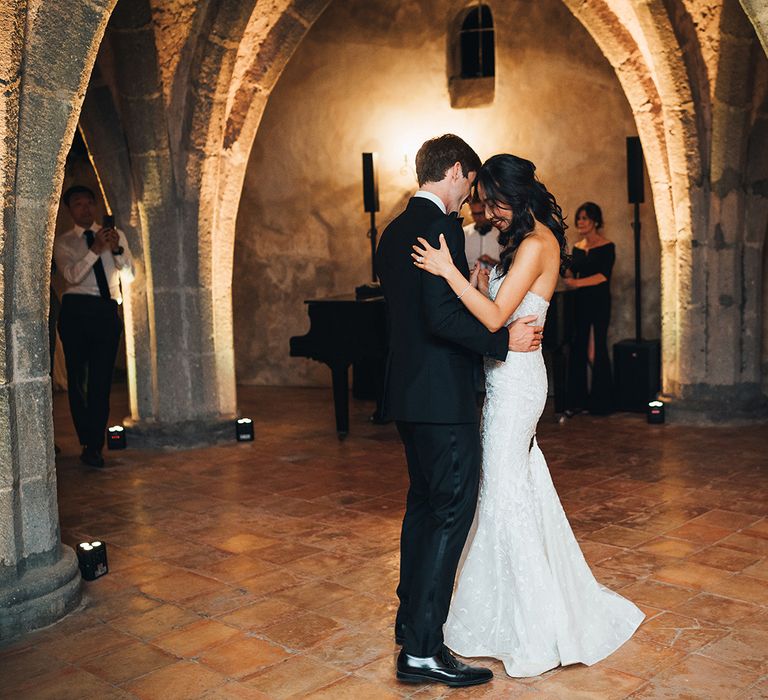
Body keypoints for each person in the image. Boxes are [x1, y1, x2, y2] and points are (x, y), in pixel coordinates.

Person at [413, 154, 643, 677]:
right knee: (508, 489)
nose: (488, 214)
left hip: (516, 384)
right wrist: (482, 276)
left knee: (502, 491)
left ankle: (534, 626)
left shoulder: (538, 243)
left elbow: (496, 317)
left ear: (514, 196)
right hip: (510, 377)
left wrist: (449, 271)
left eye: (493, 203)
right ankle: (502, 612)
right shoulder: (531, 244)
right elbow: (506, 307)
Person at [375, 135, 544, 688]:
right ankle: (423, 649)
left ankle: (410, 623)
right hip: (442, 400)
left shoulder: (392, 231)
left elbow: (420, 316)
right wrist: (501, 345)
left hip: (407, 394)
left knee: (424, 509)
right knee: (450, 514)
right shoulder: (439, 229)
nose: (470, 193)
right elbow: (440, 321)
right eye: (470, 181)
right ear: (454, 170)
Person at [54, 185, 134, 468]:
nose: (85, 208)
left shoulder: (116, 236)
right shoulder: (63, 242)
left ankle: (94, 445)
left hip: (106, 310)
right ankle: (87, 439)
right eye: (78, 204)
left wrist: (116, 251)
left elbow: (131, 274)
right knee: (79, 380)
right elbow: (72, 276)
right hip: (76, 311)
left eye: (89, 203)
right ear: (70, 210)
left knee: (101, 381)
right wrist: (94, 250)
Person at [564, 202, 615, 415]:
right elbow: (569, 271)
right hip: (579, 303)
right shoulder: (577, 247)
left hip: (599, 302)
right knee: (579, 348)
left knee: (595, 350)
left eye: (584, 218)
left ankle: (602, 403)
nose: (580, 222)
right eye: (579, 218)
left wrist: (576, 283)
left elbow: (603, 276)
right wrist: (566, 274)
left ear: (595, 221)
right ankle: (580, 402)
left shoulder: (607, 246)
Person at [463, 195, 502, 269]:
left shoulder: (500, 233)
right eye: (475, 214)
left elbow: (510, 266)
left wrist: (492, 261)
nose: (478, 218)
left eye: (481, 213)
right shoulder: (464, 233)